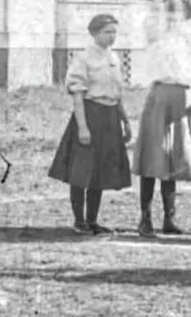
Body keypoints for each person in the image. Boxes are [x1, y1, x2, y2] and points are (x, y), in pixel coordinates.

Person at [48, 13, 132, 234]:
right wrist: (83, 127)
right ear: (94, 33)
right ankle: (79, 221)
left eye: (114, 32)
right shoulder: (84, 58)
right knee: (82, 170)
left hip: (110, 116)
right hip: (89, 115)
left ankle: (93, 220)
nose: (111, 36)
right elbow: (78, 95)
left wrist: (125, 121)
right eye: (106, 32)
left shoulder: (114, 58)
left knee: (100, 172)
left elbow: (117, 94)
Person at [132, 0, 191, 237]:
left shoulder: (186, 43)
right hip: (162, 95)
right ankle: (145, 219)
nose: (176, 22)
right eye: (171, 18)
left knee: (172, 160)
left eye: (179, 18)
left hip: (182, 96)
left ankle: (169, 219)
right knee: (154, 157)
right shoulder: (158, 38)